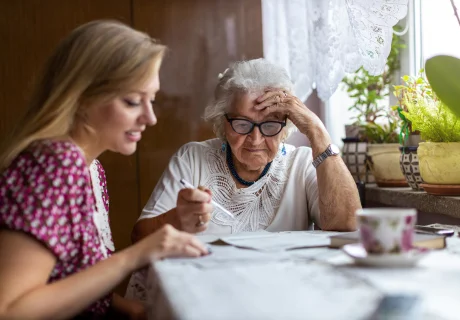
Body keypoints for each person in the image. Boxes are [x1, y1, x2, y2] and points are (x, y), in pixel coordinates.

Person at [0, 20, 212, 319]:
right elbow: (10, 310)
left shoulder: (91, 170)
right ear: (83, 96)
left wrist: (136, 312)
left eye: (151, 100)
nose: (150, 118)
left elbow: (66, 281)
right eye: (132, 101)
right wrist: (135, 256)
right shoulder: (54, 165)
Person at [125, 58, 361, 300]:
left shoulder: (300, 164)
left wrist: (317, 131)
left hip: (278, 295)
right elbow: (140, 237)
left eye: (269, 125)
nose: (255, 139)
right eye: (242, 124)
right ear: (223, 122)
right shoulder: (193, 158)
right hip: (201, 294)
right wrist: (177, 219)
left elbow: (349, 225)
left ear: (285, 125)